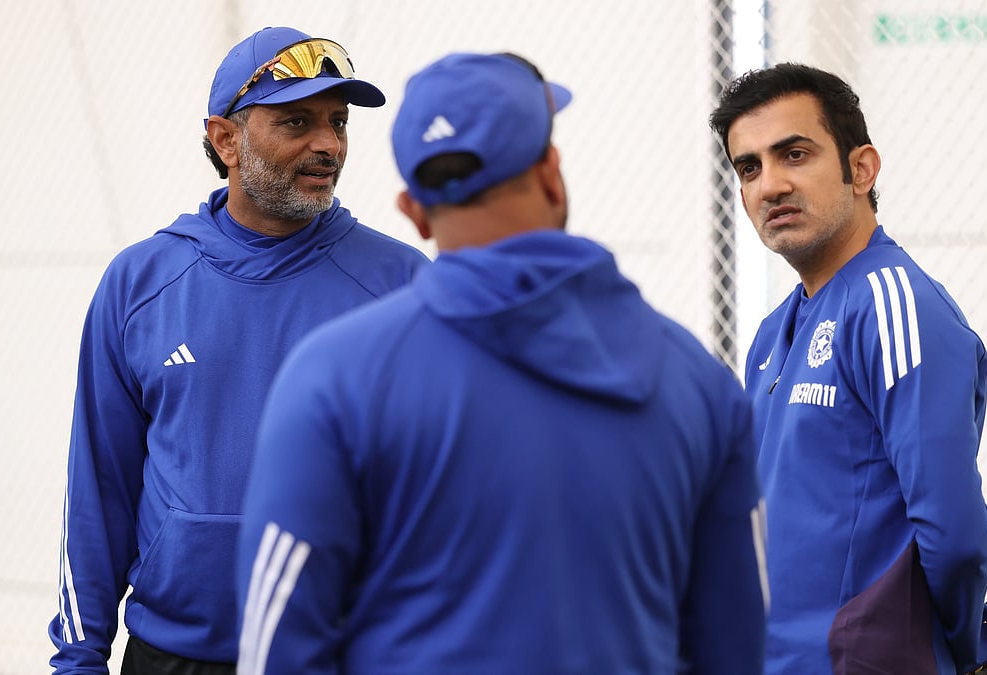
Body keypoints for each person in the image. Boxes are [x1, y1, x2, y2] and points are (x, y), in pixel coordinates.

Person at [234, 51, 768, 674]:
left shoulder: (334, 378)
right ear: (551, 172)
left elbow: (278, 647)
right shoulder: (697, 382)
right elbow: (736, 642)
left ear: (414, 211)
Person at [48, 26, 428, 674]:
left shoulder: (403, 287)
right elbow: (99, 489)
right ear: (226, 139)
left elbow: (437, 499)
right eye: (297, 121)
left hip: (339, 656)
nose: (329, 144)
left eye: (338, 122)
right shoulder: (139, 284)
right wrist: (78, 659)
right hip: (171, 655)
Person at [709, 62, 987, 674]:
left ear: (861, 168)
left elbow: (952, 533)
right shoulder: (770, 335)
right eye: (750, 167)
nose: (770, 185)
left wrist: (956, 650)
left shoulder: (895, 305)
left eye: (795, 154)